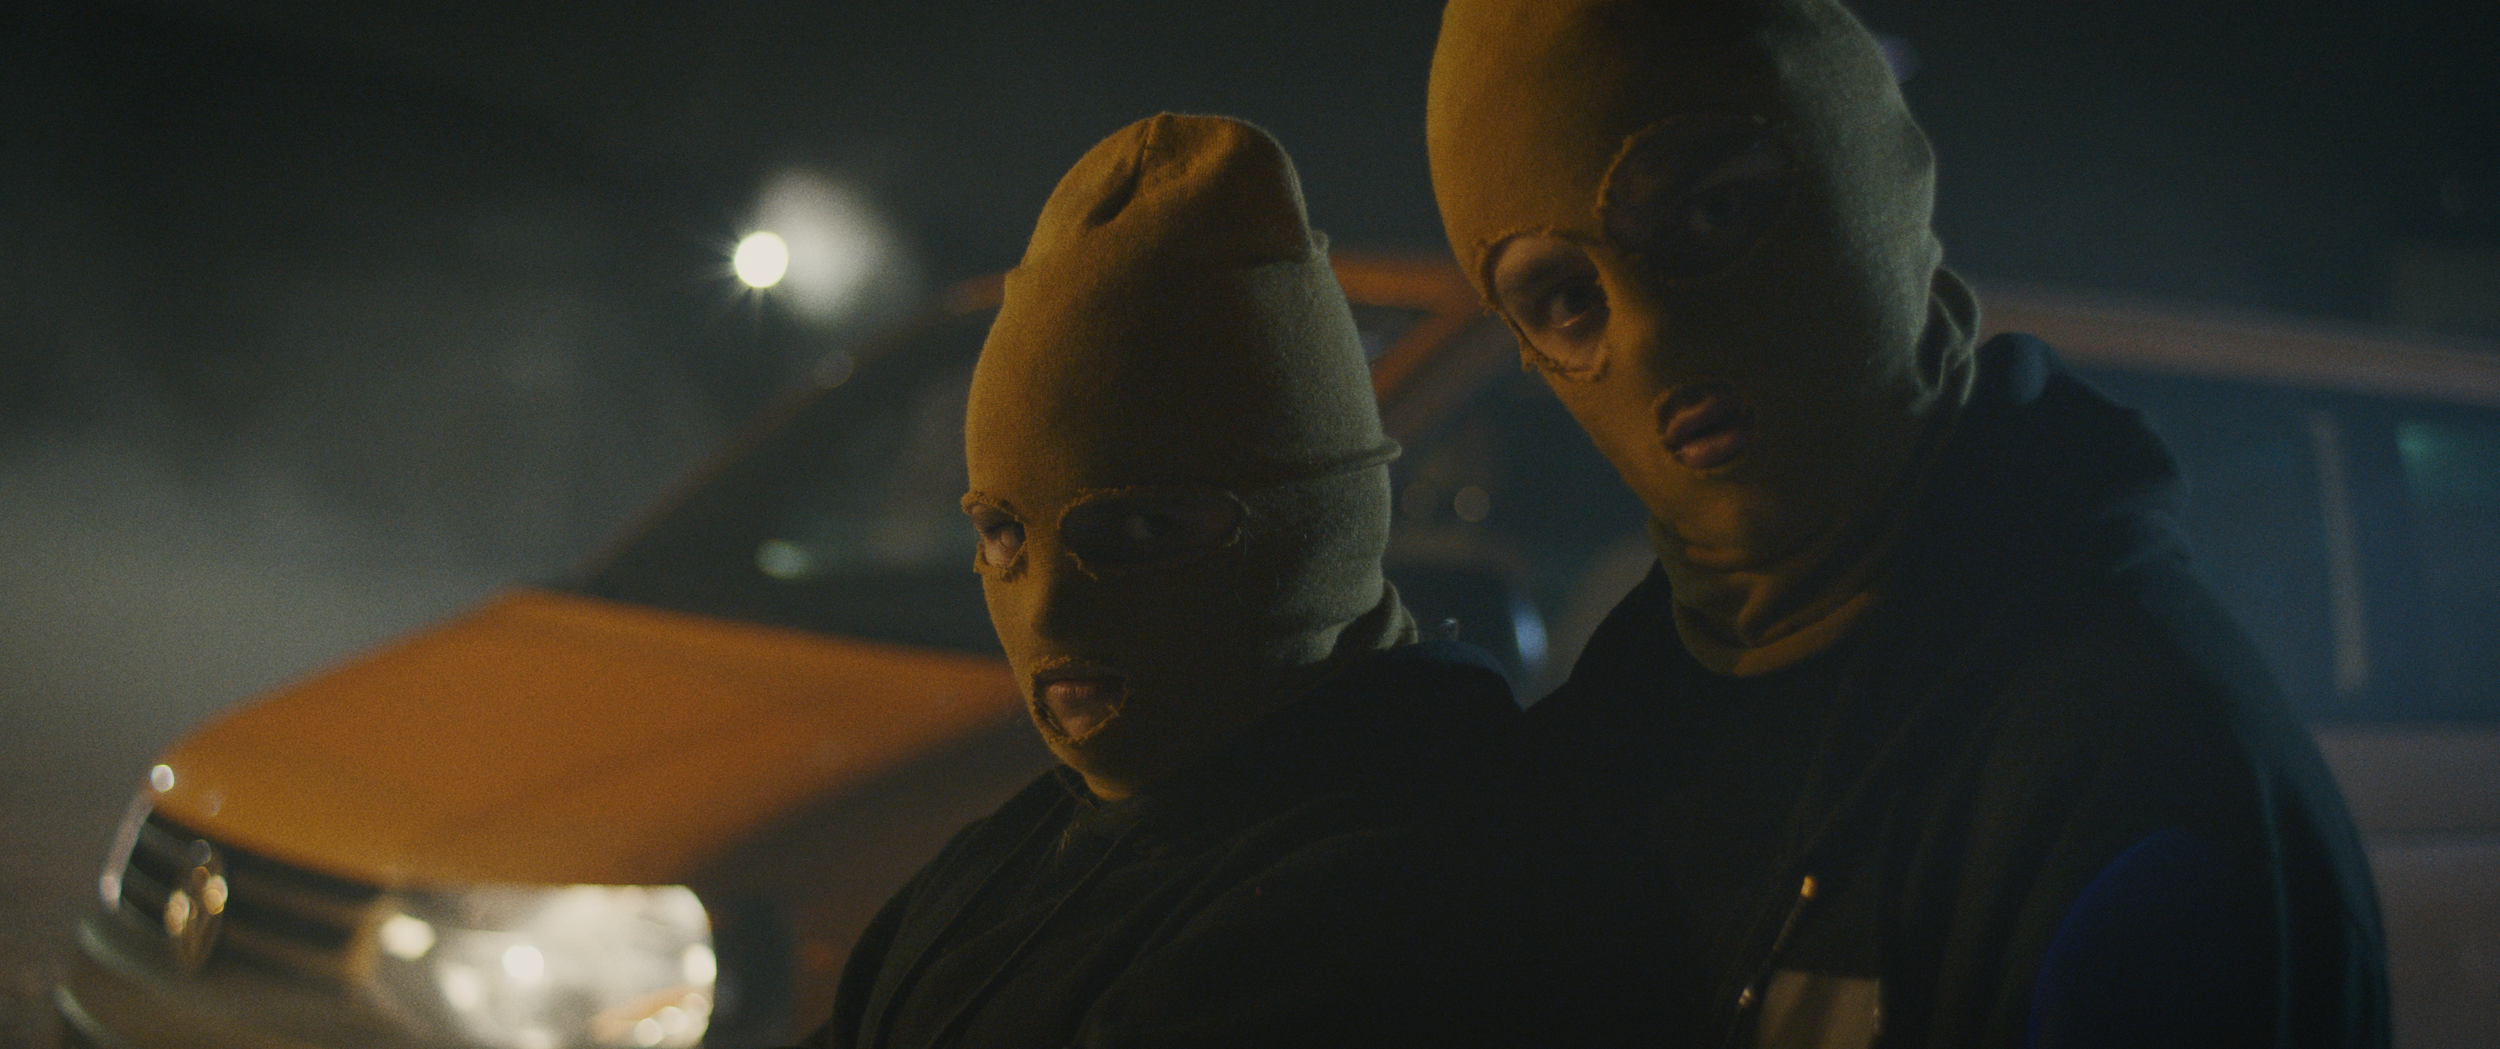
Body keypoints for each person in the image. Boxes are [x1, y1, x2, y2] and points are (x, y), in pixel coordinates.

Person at [1424, 1, 2389, 1047]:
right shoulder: (1611, 737)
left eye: (1712, 211)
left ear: (1867, 183)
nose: (1654, 335)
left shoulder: (2132, 765)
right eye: (1565, 296)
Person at [791, 113, 1537, 1049]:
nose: (1050, 606)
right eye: (1004, 533)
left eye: (1140, 529)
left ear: (1315, 526)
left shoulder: (1377, 894)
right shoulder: (1044, 834)